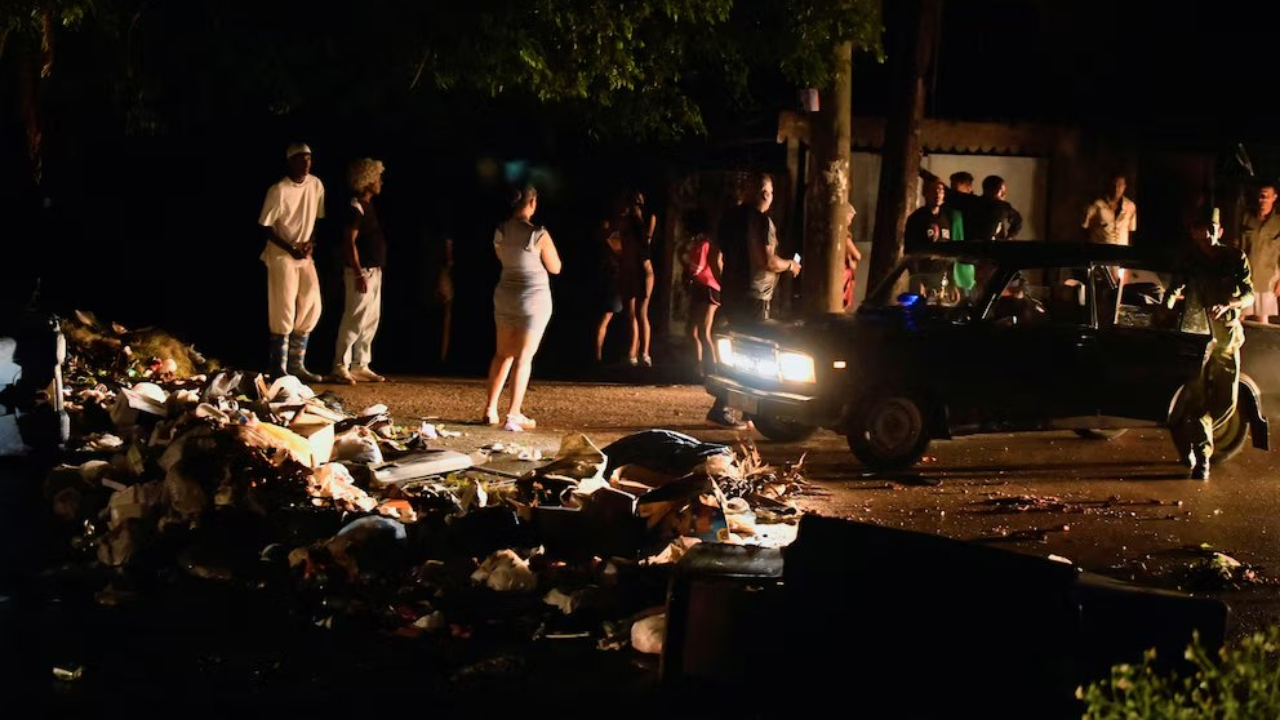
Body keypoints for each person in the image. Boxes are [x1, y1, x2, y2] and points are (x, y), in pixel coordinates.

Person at [706, 173, 800, 428]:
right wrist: (790, 264)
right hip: (755, 296)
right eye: (766, 192)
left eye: (768, 192)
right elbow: (766, 261)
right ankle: (730, 406)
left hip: (733, 293)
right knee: (756, 352)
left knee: (738, 348)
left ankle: (745, 408)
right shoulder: (760, 222)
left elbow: (713, 256)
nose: (767, 197)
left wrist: (724, 281)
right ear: (760, 193)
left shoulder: (728, 218)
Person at [1166, 211, 1253, 481]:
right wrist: (1165, 309)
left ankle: (1189, 436)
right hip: (1197, 336)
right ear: (1193, 232)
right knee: (1198, 399)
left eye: (1212, 229)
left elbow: (1249, 294)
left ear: (1220, 231)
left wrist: (1230, 304)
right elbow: (1173, 289)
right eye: (1202, 229)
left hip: (1226, 336)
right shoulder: (1190, 259)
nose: (1207, 234)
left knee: (1227, 402)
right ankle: (1201, 457)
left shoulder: (1235, 258)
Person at [482, 186, 562, 431]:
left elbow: (502, 258)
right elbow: (555, 267)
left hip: (505, 294)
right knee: (523, 357)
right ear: (532, 202)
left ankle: (490, 409)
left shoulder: (500, 230)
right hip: (533, 298)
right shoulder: (537, 233)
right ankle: (514, 413)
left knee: (502, 353)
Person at [258, 142, 326, 381]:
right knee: (283, 306)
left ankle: (297, 364)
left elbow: (317, 217)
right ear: (290, 162)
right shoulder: (279, 190)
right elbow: (265, 226)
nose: (306, 163)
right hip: (281, 254)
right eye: (301, 159)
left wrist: (311, 242)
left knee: (311, 303)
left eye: (309, 158)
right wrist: (289, 247)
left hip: (304, 254)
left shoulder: (316, 184)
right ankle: (278, 367)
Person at [330, 158, 389, 384]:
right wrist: (357, 272)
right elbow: (349, 241)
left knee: (370, 318)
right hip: (361, 271)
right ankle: (340, 364)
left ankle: (360, 363)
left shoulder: (367, 205)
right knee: (354, 318)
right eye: (377, 177)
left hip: (373, 270)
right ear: (366, 180)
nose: (380, 181)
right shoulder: (355, 206)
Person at [680, 208, 721, 374]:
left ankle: (713, 369)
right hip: (704, 288)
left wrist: (683, 261)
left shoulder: (703, 244)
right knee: (694, 330)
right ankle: (699, 368)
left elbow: (696, 268)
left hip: (707, 288)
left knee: (702, 331)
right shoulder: (703, 243)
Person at [619, 190, 656, 366]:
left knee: (639, 313)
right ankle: (635, 353)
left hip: (640, 270)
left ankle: (643, 354)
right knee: (633, 314)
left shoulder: (643, 220)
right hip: (635, 269)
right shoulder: (627, 221)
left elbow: (643, 240)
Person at [1239, 183, 1280, 322]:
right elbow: (1238, 247)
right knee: (1238, 318)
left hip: (1267, 280)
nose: (1262, 199)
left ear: (1274, 197)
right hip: (1246, 278)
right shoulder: (1246, 218)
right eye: (1260, 196)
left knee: (1262, 321)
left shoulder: (1278, 223)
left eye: (1266, 196)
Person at [593, 209, 624, 364]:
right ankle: (598, 356)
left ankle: (601, 355)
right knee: (606, 318)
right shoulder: (611, 241)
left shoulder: (612, 239)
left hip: (615, 282)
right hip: (613, 282)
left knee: (607, 319)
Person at [1082, 172, 1138, 246]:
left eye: (1120, 185)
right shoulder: (1096, 205)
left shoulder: (1131, 207)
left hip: (1122, 254)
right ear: (1109, 185)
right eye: (1114, 185)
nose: (1116, 188)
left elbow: (1132, 231)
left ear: (1125, 186)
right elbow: (1084, 228)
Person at [969, 175, 1023, 241]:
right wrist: (1009, 237)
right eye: (1002, 192)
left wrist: (1010, 236)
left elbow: (1017, 221)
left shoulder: (972, 202)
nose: (1004, 195)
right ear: (990, 190)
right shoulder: (1002, 207)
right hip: (994, 248)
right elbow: (1018, 220)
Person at [840, 203, 863, 310]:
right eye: (850, 217)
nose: (850, 221)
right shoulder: (845, 236)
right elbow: (857, 255)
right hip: (844, 273)